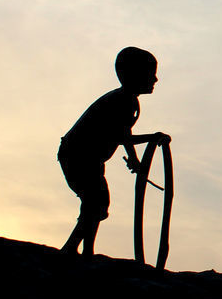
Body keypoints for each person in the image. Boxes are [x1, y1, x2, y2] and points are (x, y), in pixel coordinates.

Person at [59, 47, 170, 258]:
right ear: (134, 75)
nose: (155, 79)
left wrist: (135, 160)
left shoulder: (128, 101)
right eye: (150, 73)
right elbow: (123, 136)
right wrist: (152, 137)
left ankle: (84, 250)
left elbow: (124, 131)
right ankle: (76, 249)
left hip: (90, 158)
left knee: (97, 203)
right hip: (78, 155)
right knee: (95, 203)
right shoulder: (122, 101)